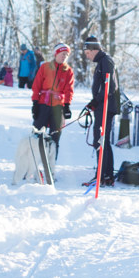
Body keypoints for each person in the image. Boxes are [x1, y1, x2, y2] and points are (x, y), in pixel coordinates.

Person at [83, 35, 119, 186]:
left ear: (94, 49)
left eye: (87, 53)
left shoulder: (106, 61)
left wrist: (96, 100)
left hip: (106, 107)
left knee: (100, 140)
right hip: (102, 105)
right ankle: (106, 175)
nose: (87, 56)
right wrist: (94, 102)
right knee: (103, 141)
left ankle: (102, 176)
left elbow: (110, 85)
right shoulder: (102, 62)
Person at [31, 43, 75, 159]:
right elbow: (36, 86)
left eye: (66, 54)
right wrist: (35, 103)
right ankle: (33, 163)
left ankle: (51, 167)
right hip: (43, 104)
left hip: (58, 107)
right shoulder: (45, 67)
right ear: (56, 54)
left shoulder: (68, 71)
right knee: (37, 134)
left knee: (55, 137)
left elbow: (69, 90)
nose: (64, 56)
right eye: (62, 54)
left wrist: (67, 106)